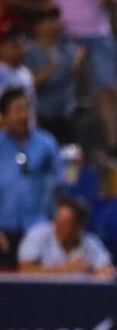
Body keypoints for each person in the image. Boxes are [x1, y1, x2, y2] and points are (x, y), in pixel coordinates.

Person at [35, 0, 117, 158]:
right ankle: (59, 143)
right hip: (63, 35)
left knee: (107, 89)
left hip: (97, 34)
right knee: (59, 88)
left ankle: (114, 146)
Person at [0, 87, 61, 266]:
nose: (24, 115)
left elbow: (61, 183)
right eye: (17, 110)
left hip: (37, 228)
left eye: (27, 108)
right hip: (3, 229)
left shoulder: (47, 144)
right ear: (3, 115)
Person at [24, 7, 81, 145]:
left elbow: (79, 77)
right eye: (48, 21)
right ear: (37, 25)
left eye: (55, 20)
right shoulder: (28, 52)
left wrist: (78, 64)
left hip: (66, 113)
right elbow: (30, 84)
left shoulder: (68, 47)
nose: (54, 24)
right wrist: (51, 66)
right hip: (42, 115)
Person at [17, 195, 114, 276]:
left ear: (79, 226)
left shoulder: (91, 242)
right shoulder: (38, 234)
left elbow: (107, 270)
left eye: (65, 223)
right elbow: (25, 270)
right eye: (57, 219)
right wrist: (66, 269)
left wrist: (98, 273)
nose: (58, 226)